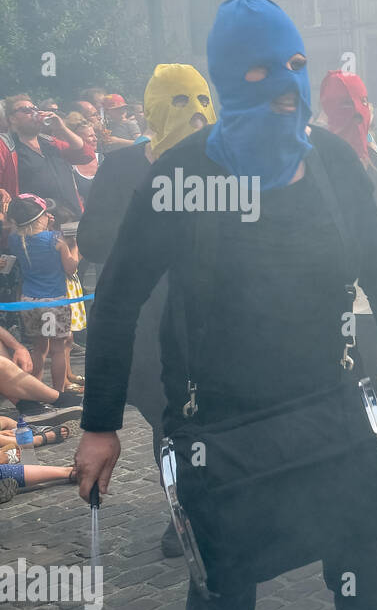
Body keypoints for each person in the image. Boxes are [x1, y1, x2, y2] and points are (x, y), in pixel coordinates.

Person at [73, 0, 377, 610]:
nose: (288, 88)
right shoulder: (181, 176)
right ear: (229, 80)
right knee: (222, 590)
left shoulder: (334, 162)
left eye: (299, 68)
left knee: (364, 576)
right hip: (221, 425)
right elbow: (116, 302)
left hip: (327, 408)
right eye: (263, 72)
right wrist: (101, 423)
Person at [78, 62, 217, 560]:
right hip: (148, 324)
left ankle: (216, 504)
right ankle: (184, 512)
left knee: (214, 417)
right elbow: (91, 241)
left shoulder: (224, 165)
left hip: (212, 320)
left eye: (202, 99)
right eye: (180, 102)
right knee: (169, 420)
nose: (196, 114)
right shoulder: (120, 168)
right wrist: (146, 237)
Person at [319, 68, 377, 409]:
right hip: (330, 288)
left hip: (369, 293)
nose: (359, 112)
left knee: (371, 373)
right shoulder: (314, 158)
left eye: (364, 102)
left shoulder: (373, 157)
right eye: (346, 104)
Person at [7, 196, 79, 393]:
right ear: (38, 219)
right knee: (57, 350)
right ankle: (58, 393)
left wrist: (45, 226)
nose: (50, 215)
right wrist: (74, 245)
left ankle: (36, 392)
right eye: (45, 213)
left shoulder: (15, 240)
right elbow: (71, 268)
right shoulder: (56, 239)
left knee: (39, 350)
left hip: (30, 302)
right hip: (55, 301)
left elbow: (30, 236)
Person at [3, 94, 91, 215]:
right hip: (36, 225)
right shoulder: (6, 146)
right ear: (12, 118)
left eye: (35, 108)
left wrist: (62, 128)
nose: (34, 113)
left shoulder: (51, 142)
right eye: (26, 110)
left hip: (72, 217)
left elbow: (86, 155)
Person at [65, 112, 102, 205]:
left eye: (95, 135)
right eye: (90, 136)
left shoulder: (104, 160)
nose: (95, 139)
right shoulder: (68, 166)